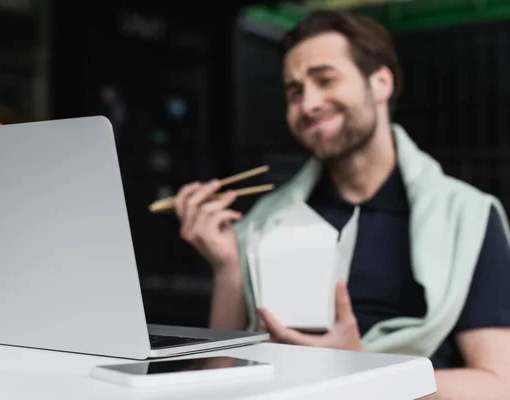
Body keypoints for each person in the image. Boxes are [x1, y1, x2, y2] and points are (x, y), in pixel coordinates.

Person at [173, 10, 510, 400]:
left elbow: (497, 384)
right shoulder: (266, 221)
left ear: (381, 82)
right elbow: (221, 377)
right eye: (294, 91)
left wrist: (362, 367)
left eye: (325, 79)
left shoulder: (464, 217)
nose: (309, 103)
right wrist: (228, 267)